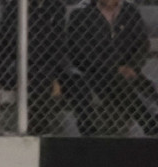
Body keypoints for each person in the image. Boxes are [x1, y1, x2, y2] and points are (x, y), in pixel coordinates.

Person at [67, 0, 158, 135]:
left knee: (145, 85)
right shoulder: (81, 14)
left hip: (127, 69)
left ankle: (151, 119)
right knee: (119, 82)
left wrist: (132, 66)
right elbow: (81, 51)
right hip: (93, 71)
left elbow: (142, 44)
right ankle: (149, 122)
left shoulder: (130, 11)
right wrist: (114, 67)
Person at [0, 0, 69, 134]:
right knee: (36, 74)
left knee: (42, 74)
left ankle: (35, 128)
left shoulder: (55, 8)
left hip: (44, 64)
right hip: (17, 61)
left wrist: (57, 76)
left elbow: (58, 45)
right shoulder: (13, 7)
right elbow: (7, 42)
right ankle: (36, 128)